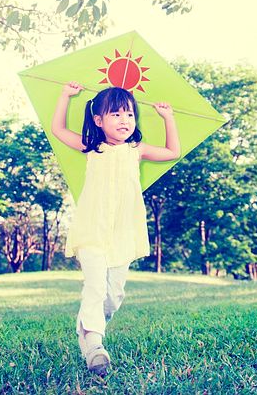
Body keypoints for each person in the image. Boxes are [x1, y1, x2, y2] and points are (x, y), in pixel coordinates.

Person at [51, 81, 180, 376]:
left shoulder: (137, 149)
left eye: (130, 115)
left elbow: (173, 151)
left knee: (113, 296)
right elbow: (58, 129)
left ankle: (88, 325)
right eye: (116, 114)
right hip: (92, 226)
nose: (125, 120)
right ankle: (95, 348)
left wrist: (167, 117)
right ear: (99, 120)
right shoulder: (92, 147)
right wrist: (65, 96)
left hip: (124, 230)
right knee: (95, 286)